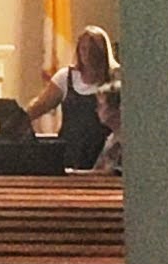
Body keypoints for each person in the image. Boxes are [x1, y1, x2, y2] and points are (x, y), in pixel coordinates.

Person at [29, 23, 119, 171]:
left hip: (102, 157)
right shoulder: (65, 78)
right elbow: (38, 107)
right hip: (69, 156)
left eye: (94, 50)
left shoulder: (116, 79)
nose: (88, 54)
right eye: (84, 49)